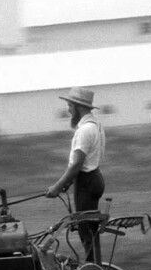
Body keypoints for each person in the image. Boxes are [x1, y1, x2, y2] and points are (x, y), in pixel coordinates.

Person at [45, 86, 106, 261]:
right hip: (91, 178)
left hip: (87, 182)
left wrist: (57, 186)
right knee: (89, 230)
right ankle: (94, 266)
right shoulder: (95, 126)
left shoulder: (85, 130)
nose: (68, 109)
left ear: (79, 107)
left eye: (70, 105)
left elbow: (77, 163)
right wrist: (68, 182)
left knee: (86, 231)